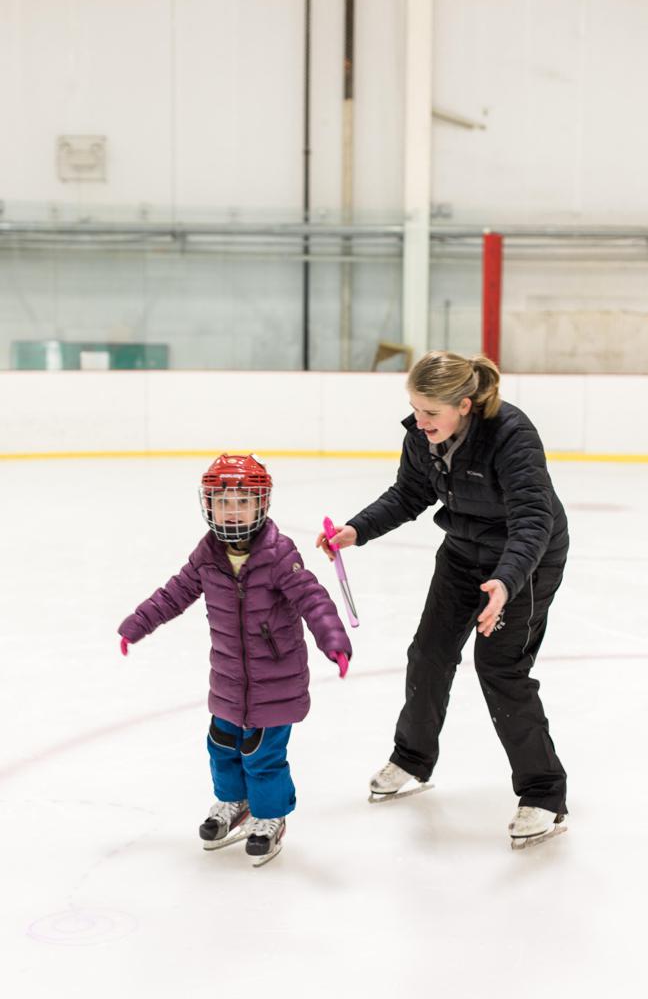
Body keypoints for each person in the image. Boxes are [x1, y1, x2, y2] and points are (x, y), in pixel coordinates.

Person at [317, 351, 569, 849]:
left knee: (500, 668)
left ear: (466, 405)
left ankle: (544, 794)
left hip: (524, 562)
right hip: (462, 553)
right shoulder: (421, 435)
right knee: (429, 654)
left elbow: (533, 521)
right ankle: (411, 758)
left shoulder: (511, 435)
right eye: (415, 408)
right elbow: (409, 494)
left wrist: (506, 581)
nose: (420, 421)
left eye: (431, 412)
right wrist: (357, 529)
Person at [118, 453, 351, 865]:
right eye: (223, 503)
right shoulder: (208, 554)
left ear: (261, 504)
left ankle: (269, 816)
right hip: (228, 678)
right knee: (221, 745)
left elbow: (311, 597)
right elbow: (174, 594)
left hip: (276, 680)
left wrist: (333, 640)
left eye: (242, 502)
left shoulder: (278, 553)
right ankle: (233, 802)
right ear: (207, 505)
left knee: (263, 754)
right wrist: (136, 624)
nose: (232, 512)